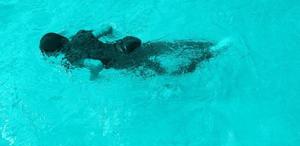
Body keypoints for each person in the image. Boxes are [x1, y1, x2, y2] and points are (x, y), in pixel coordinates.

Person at [40, 26, 216, 79]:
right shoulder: (80, 35)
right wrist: (116, 36)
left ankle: (209, 56)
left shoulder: (71, 58)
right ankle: (210, 45)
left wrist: (95, 78)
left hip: (124, 63)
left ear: (55, 52)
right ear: (62, 38)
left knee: (169, 75)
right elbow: (107, 28)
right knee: (170, 47)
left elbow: (96, 65)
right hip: (124, 45)